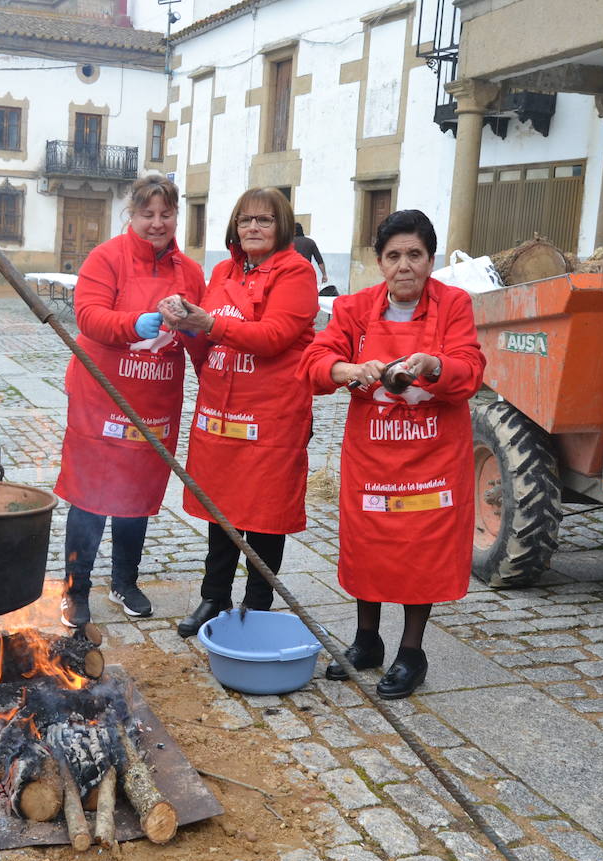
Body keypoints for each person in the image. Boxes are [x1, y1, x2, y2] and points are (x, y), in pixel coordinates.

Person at [298, 209, 486, 699]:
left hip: (433, 459)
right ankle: (366, 641)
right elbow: (316, 363)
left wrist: (431, 365)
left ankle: (411, 651)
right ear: (379, 262)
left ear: (430, 260)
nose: (405, 265)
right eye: (394, 255)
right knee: (368, 544)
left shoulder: (454, 305)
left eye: (415, 255)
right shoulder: (353, 309)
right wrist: (353, 369)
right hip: (373, 455)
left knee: (422, 552)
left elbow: (470, 370)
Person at [162, 188, 318, 638]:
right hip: (220, 411)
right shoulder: (223, 271)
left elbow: (273, 336)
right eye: (246, 220)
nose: (253, 228)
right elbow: (208, 342)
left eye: (264, 221)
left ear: (281, 227)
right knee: (220, 509)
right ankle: (214, 596)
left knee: (264, 514)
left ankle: (257, 603)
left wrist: (208, 323)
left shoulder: (296, 273)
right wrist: (183, 323)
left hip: (271, 413)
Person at [55, 173, 207, 628]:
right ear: (132, 214)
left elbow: (201, 333)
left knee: (135, 494)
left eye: (166, 214)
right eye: (147, 214)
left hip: (155, 397)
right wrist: (135, 325)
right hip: (101, 396)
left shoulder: (191, 272)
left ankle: (124, 580)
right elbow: (88, 316)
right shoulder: (107, 258)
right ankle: (75, 588)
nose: (157, 223)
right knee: (91, 494)